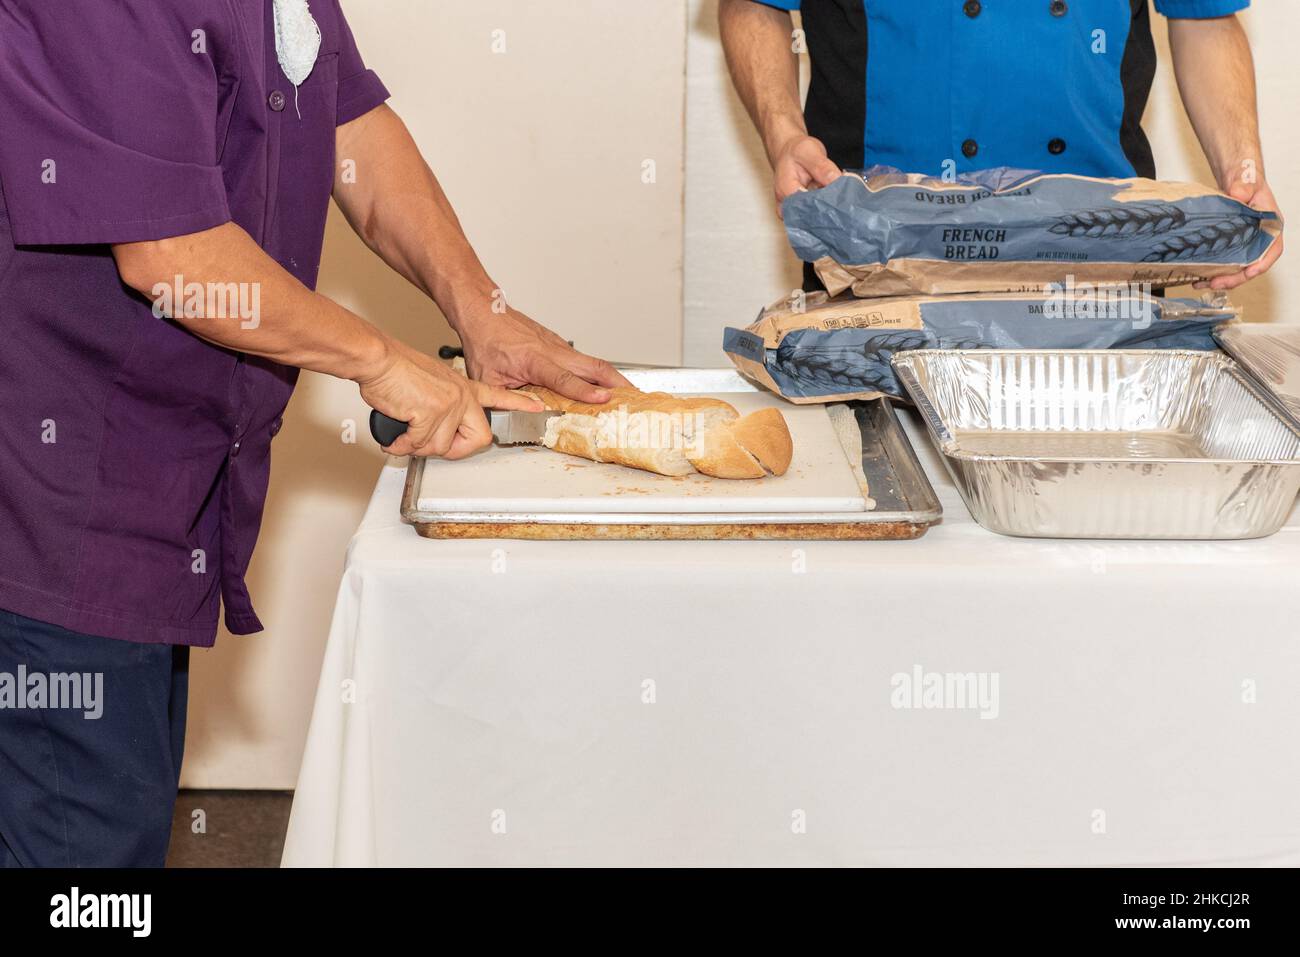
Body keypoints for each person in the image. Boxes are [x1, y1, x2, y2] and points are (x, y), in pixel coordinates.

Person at [0, 0, 628, 866]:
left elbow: (352, 127)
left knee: (114, 826)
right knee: (82, 848)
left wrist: (484, 312)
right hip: (52, 509)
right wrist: (377, 359)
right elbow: (169, 256)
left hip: (158, 493)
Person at [719, 0, 1282, 291]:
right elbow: (753, 1)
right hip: (880, 251)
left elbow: (1203, 17)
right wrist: (784, 135)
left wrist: (1244, 170)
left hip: (1100, 252)